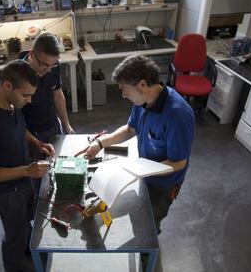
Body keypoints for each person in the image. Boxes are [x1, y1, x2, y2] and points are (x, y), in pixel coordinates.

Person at [77, 54, 194, 234]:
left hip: (164, 184)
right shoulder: (142, 101)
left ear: (142, 85)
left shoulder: (177, 116)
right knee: (139, 213)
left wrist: (140, 172)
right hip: (144, 172)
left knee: (150, 223)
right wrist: (100, 143)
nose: (123, 95)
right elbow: (130, 129)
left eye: (125, 89)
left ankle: (147, 254)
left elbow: (179, 162)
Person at [0, 60, 55, 272]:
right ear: (7, 86)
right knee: (14, 236)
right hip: (8, 193)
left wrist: (36, 143)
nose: (30, 100)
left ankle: (27, 249)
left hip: (24, 182)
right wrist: (26, 170)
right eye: (26, 95)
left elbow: (20, 128)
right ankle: (13, 266)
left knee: (25, 226)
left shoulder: (12, 105)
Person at [19, 32, 75, 155]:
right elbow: (14, 117)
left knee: (59, 161)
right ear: (32, 54)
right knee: (38, 169)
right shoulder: (18, 74)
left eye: (52, 65)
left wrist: (66, 125)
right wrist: (35, 142)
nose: (48, 70)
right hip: (30, 132)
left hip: (52, 124)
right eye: (44, 65)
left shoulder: (53, 66)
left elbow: (57, 93)